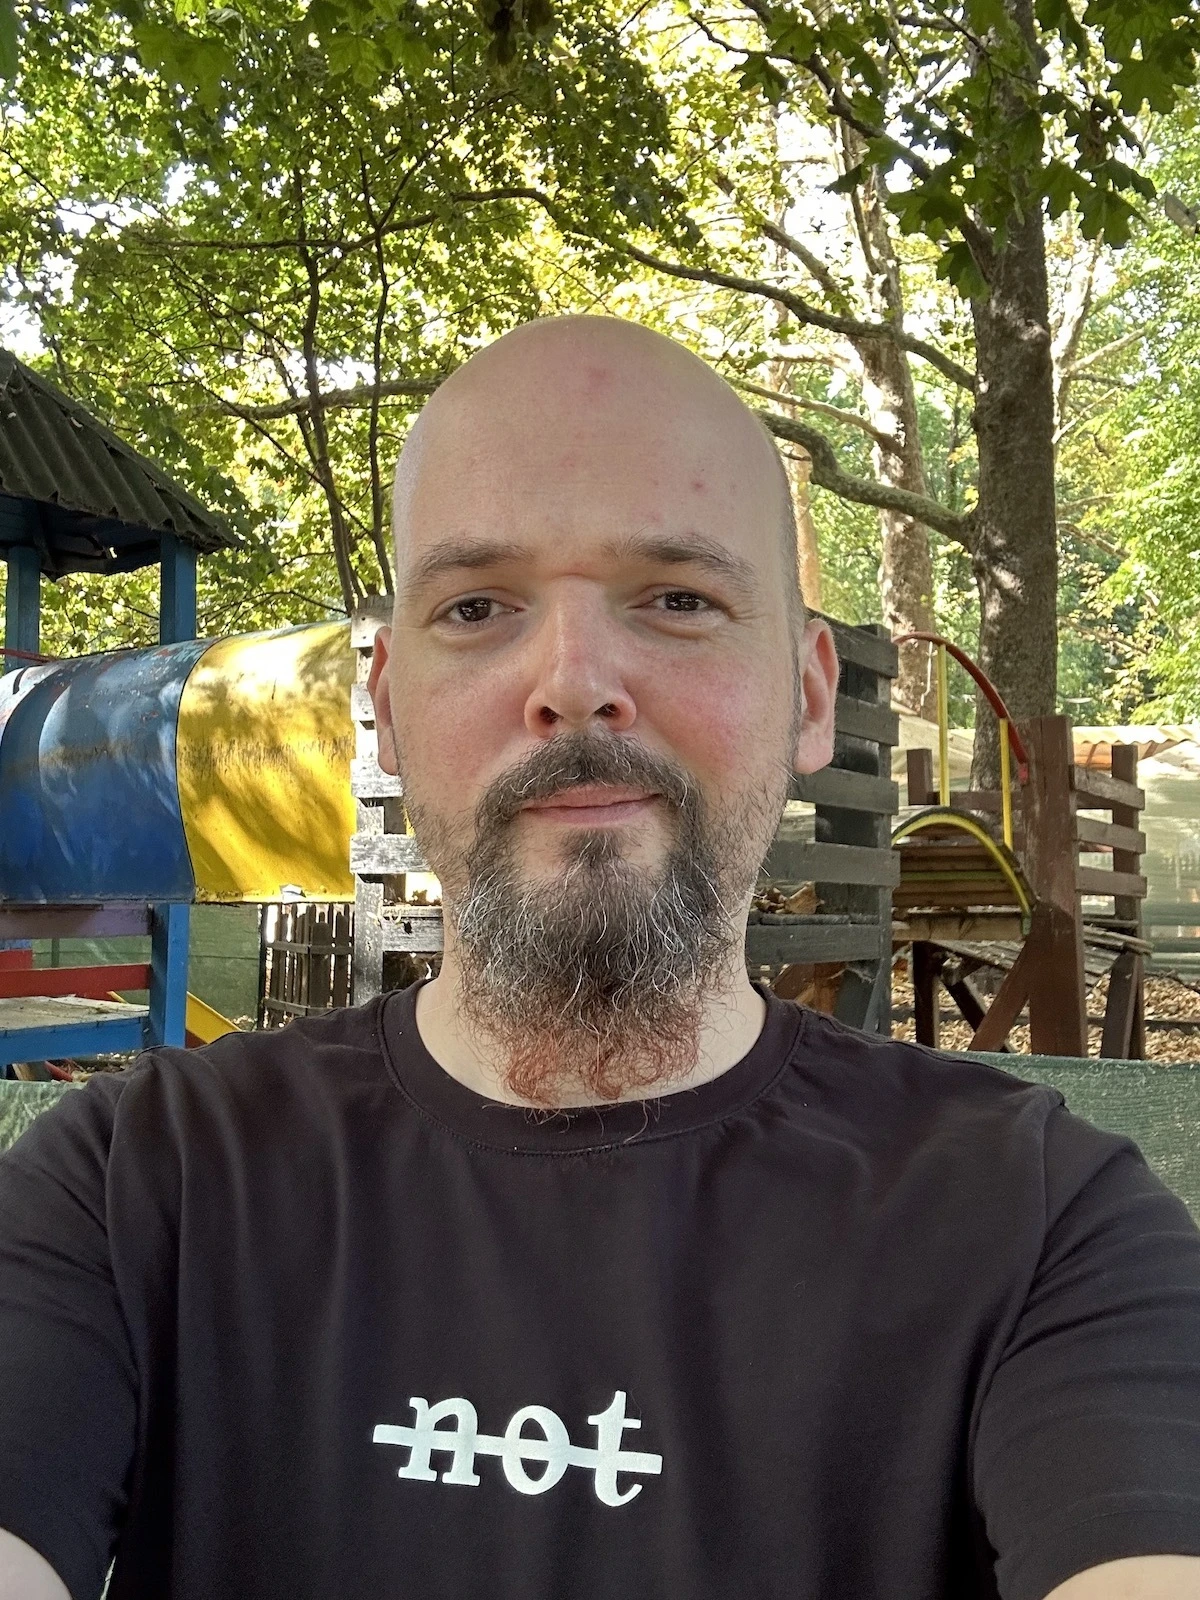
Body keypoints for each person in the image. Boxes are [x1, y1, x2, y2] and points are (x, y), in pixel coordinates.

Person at [1, 315, 1198, 1600]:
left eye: (677, 599)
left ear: (807, 694)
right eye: (477, 606)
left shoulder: (1044, 1230)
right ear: (387, 704)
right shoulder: (135, 1191)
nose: (573, 683)